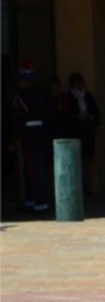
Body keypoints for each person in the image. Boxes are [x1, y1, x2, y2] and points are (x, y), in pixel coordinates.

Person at [12, 61, 56, 212]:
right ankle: (33, 200)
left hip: (30, 136)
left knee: (34, 170)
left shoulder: (20, 97)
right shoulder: (42, 94)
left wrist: (14, 137)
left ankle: (39, 201)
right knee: (33, 169)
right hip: (41, 135)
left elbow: (17, 118)